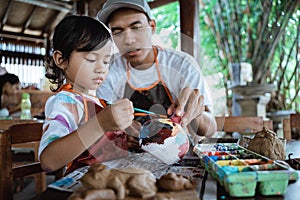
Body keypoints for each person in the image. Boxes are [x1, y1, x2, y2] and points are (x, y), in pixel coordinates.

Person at [96, 0, 217, 143]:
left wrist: (195, 114)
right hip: (128, 158)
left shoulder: (182, 65)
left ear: (152, 27)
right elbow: (99, 124)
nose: (128, 40)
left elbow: (210, 129)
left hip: (180, 157)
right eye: (118, 32)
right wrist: (120, 135)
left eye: (136, 28)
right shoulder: (106, 69)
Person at [38, 15, 134, 174]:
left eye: (106, 61)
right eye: (91, 59)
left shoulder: (101, 103)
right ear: (61, 60)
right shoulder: (64, 102)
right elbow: (49, 161)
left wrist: (125, 139)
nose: (101, 69)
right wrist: (101, 124)